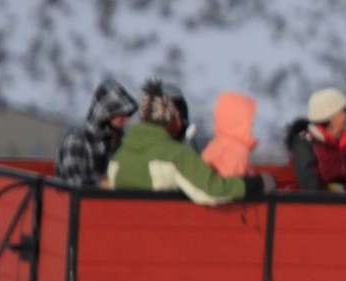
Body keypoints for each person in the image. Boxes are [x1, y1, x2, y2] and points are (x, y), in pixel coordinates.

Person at [108, 81, 271, 205]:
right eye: (179, 115)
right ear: (171, 117)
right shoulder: (176, 156)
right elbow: (211, 191)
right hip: (169, 237)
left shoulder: (119, 157)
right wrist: (257, 184)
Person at [56, 77, 138, 186]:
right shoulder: (76, 140)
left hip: (115, 201)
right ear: (105, 113)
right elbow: (72, 182)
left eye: (128, 115)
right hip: (83, 201)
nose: (126, 119)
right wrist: (100, 184)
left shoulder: (122, 142)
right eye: (121, 114)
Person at [286, 88, 346, 191]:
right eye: (344, 110)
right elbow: (310, 187)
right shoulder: (304, 144)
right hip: (320, 205)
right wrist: (342, 192)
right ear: (329, 116)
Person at [200, 92, 258, 178]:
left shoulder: (216, 144)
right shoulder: (236, 151)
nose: (253, 124)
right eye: (250, 121)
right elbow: (230, 187)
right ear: (239, 123)